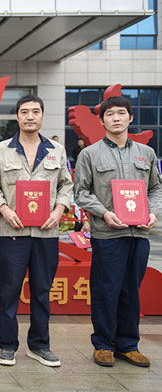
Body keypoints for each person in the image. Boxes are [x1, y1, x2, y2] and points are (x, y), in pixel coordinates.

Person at [74, 96, 162, 368]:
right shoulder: (90, 154)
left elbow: (155, 188)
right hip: (108, 234)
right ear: (102, 121)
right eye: (110, 114)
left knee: (131, 290)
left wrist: (153, 213)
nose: (116, 118)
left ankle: (128, 345)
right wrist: (103, 213)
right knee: (106, 290)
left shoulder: (146, 153)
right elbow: (81, 192)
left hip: (139, 234)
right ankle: (103, 344)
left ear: (130, 118)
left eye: (121, 113)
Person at [0, 94, 73, 367]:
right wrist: (4, 209)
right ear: (17, 117)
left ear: (42, 116)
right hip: (12, 233)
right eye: (24, 112)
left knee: (42, 291)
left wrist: (58, 211)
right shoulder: (1, 150)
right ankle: (7, 345)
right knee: (9, 291)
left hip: (46, 234)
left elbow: (66, 185)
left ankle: (39, 345)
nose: (30, 116)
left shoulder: (56, 151)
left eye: (35, 111)